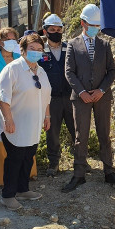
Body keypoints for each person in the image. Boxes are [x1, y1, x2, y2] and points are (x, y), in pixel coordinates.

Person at [62, 4, 115, 193]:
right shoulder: (72, 44)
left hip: (102, 98)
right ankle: (79, 175)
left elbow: (112, 71)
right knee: (81, 136)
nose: (97, 28)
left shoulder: (104, 45)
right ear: (83, 23)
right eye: (93, 25)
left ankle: (109, 172)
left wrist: (101, 90)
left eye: (98, 25)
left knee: (104, 134)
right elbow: (69, 72)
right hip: (80, 99)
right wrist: (82, 93)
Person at [0, 33, 51, 211]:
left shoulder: (41, 71)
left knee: (28, 157)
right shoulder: (12, 69)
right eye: (32, 49)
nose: (36, 52)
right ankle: (8, 195)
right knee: (15, 159)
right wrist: (8, 119)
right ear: (22, 50)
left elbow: (46, 97)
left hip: (34, 124)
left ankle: (22, 189)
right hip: (15, 123)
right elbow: (2, 98)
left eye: (39, 49)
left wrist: (47, 116)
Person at [0, 27, 37, 185]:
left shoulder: (19, 57)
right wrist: (8, 94)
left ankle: (28, 173)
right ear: (0, 42)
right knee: (1, 142)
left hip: (20, 105)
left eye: (14, 40)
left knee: (25, 139)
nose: (12, 43)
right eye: (8, 40)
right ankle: (2, 178)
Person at [38, 14, 75, 177]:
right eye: (52, 29)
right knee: (52, 132)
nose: (56, 32)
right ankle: (54, 163)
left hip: (71, 97)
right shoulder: (39, 52)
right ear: (45, 31)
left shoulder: (70, 49)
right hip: (50, 100)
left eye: (59, 29)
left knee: (77, 130)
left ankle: (81, 161)